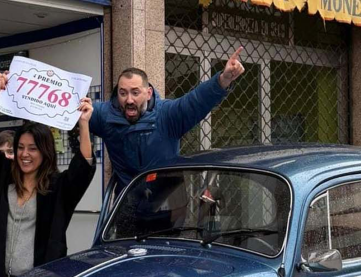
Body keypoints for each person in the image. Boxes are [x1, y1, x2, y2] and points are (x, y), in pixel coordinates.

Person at [0, 66, 96, 277]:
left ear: (45, 151)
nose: (24, 154)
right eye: (20, 148)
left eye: (32, 148)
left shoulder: (56, 187)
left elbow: (83, 167)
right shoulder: (1, 177)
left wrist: (84, 124)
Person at [89, 48, 246, 191]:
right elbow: (72, 111)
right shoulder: (106, 116)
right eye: (123, 93)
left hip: (167, 210)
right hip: (125, 210)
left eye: (135, 93)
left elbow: (196, 101)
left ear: (148, 93)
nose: (129, 100)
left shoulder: (167, 115)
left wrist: (223, 79)